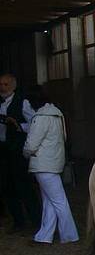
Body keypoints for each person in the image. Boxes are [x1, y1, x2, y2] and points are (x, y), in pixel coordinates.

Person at [22, 88, 78, 244]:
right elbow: (64, 138)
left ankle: (70, 235)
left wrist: (26, 153)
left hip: (42, 163)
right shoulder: (57, 115)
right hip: (55, 161)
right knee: (51, 202)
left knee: (58, 201)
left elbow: (31, 144)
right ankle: (44, 236)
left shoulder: (40, 117)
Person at [0, 73, 40, 232]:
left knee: (24, 186)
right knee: (7, 187)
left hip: (17, 150)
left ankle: (36, 221)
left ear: (13, 86)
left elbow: (35, 124)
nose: (2, 87)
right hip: (3, 149)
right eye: (1, 84)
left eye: (5, 84)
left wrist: (18, 126)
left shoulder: (22, 102)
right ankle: (18, 222)